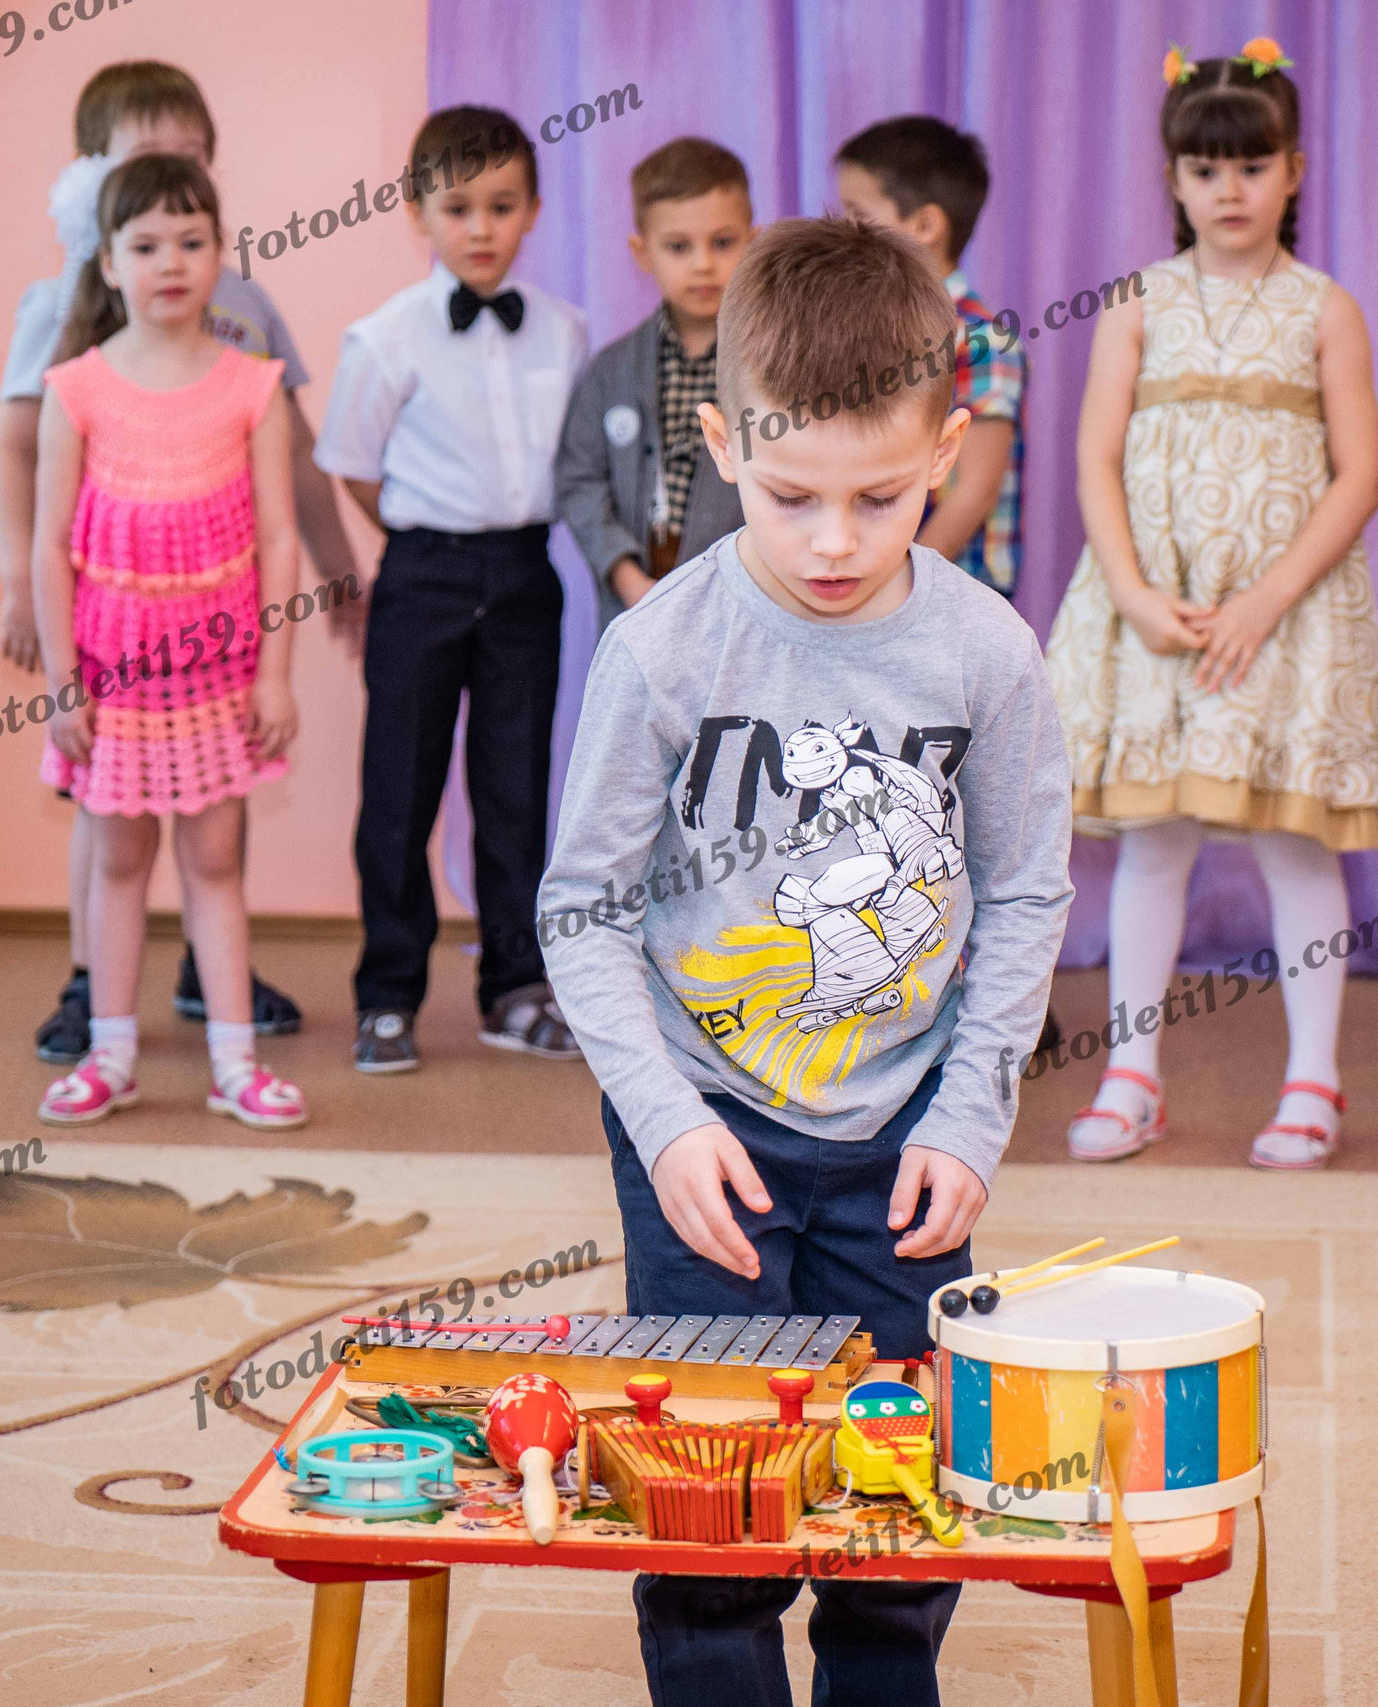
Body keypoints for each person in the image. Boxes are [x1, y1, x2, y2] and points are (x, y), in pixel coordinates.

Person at [539, 217, 1072, 1706]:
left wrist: (972, 1115)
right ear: (722, 439)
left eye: (883, 497)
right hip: (702, 1126)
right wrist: (666, 1123)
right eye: (787, 497)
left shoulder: (988, 653)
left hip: (904, 1139)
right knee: (711, 1504)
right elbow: (580, 910)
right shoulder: (661, 650)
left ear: (948, 450)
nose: (833, 541)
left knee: (894, 1502)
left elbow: (1027, 891)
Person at [1043, 41, 1378, 1169]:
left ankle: (1313, 1082)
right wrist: (1132, 594)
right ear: (1171, 179)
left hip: (1284, 619)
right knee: (1154, 844)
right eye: (1205, 170)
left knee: (1296, 844)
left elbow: (1361, 473)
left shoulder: (1324, 309)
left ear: (1294, 170)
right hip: (1156, 614)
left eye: (1251, 167)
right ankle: (1132, 1075)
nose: (1229, 191)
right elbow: (1094, 460)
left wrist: (1266, 598)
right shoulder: (1136, 304)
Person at [0, 62, 353, 1066]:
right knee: (108, 825)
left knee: (212, 822)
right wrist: (20, 582)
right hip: (110, 628)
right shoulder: (65, 322)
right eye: (143, 167)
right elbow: (16, 449)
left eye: (187, 161)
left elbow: (295, 459)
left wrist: (339, 571)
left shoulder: (245, 313)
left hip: (220, 630)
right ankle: (89, 991)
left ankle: (206, 975)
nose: (170, 252)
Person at [28, 154, 306, 1131]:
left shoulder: (253, 386)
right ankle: (110, 1053)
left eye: (191, 242)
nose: (170, 263)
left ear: (220, 255)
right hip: (113, 682)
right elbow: (49, 547)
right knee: (115, 862)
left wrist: (276, 673)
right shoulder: (76, 390)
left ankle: (235, 1062)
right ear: (107, 264)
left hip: (220, 677)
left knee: (217, 862)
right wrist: (62, 682)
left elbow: (279, 538)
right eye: (145, 245)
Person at [315, 106, 590, 1075]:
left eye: (502, 206)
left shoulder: (565, 330)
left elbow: (576, 459)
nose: (480, 227)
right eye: (459, 206)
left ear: (533, 212)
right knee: (400, 790)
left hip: (525, 574)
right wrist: (417, 535)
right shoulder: (386, 338)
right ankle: (387, 995)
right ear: (417, 211)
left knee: (515, 788)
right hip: (422, 576)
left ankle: (515, 987)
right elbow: (350, 464)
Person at [559, 135, 754, 634]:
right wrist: (626, 578)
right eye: (678, 246)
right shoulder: (610, 370)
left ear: (754, 241)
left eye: (723, 242)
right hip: (636, 612)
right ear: (642, 252)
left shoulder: (775, 366)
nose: (703, 263)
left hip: (744, 615)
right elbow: (580, 480)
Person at [834, 115, 1025, 596]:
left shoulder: (980, 339)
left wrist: (897, 583)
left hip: (954, 588)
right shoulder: (863, 328)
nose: (842, 231)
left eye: (856, 213)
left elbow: (974, 489)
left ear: (925, 225)